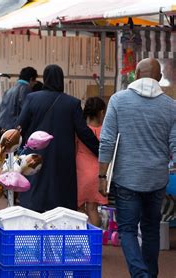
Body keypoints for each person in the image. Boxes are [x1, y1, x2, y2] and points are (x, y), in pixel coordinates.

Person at [98, 58, 176, 277]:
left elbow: (107, 141)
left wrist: (102, 175)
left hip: (126, 179)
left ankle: (139, 273)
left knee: (128, 229)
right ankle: (148, 274)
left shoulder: (118, 100)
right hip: (157, 180)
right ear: (159, 78)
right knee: (151, 229)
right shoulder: (171, 106)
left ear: (135, 75)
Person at [16, 64, 99, 212]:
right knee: (60, 195)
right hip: (62, 157)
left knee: (35, 192)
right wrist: (100, 150)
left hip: (35, 156)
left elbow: (19, 127)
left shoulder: (32, 99)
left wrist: (15, 149)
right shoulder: (72, 103)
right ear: (61, 80)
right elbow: (83, 131)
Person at [76, 97, 107, 227]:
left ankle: (83, 238)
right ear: (101, 112)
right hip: (98, 173)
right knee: (93, 209)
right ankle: (96, 239)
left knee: (79, 209)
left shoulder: (80, 131)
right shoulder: (105, 131)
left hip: (81, 172)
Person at [0, 67, 38, 131]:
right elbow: (26, 111)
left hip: (2, 127)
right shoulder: (26, 89)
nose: (35, 83)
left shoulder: (9, 90)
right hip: (13, 128)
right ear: (31, 79)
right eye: (35, 80)